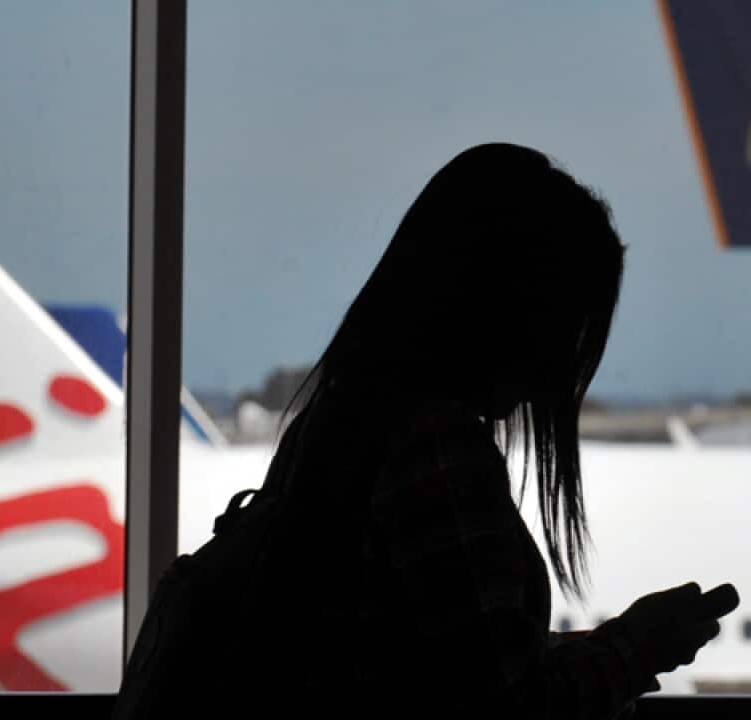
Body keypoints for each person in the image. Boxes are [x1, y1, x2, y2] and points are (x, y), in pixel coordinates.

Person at [183, 143, 738, 718]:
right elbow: (499, 708)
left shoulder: (337, 425)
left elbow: (427, 664)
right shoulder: (434, 452)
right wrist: (633, 649)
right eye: (561, 328)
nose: (558, 368)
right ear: (504, 314)